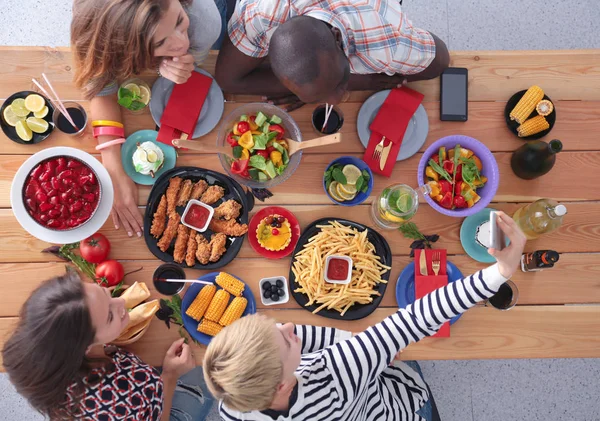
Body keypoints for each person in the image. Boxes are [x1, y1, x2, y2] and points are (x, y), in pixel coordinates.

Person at [203, 211, 527, 421]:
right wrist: (499, 273)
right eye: (285, 341)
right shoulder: (330, 378)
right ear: (284, 385)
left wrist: (367, 347)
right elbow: (415, 319)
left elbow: (303, 339)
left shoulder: (233, 403)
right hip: (397, 409)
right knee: (408, 370)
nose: (289, 326)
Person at [70, 0, 227, 238]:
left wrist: (178, 61)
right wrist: (112, 167)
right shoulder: (97, 28)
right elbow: (102, 90)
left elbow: (192, 52)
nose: (182, 42)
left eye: (178, 21)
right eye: (161, 42)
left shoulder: (202, 21)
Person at [2, 269, 214, 420]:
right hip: (150, 406)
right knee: (208, 375)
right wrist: (169, 375)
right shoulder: (126, 397)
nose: (121, 302)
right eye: (110, 316)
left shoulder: (40, 342)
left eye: (104, 292)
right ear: (84, 347)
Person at [215, 0, 450, 110]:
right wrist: (307, 91)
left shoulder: (386, 38)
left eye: (339, 83)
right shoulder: (260, 15)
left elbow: (440, 60)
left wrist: (363, 79)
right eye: (317, 98)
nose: (334, 102)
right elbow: (227, 79)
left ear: (337, 37)